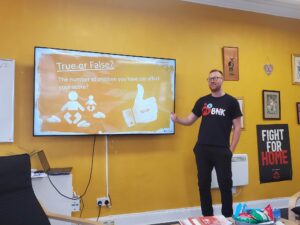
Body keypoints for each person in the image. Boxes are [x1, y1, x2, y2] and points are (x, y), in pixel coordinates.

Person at [171, 69, 242, 217]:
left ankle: (227, 217)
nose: (212, 81)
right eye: (210, 79)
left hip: (222, 150)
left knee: (225, 185)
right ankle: (207, 217)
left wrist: (231, 150)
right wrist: (177, 119)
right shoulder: (202, 101)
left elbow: (237, 127)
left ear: (222, 80)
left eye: (216, 78)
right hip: (202, 150)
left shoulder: (231, 102)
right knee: (203, 185)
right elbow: (190, 120)